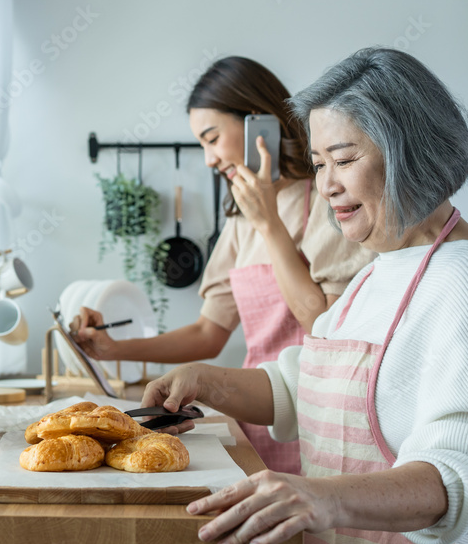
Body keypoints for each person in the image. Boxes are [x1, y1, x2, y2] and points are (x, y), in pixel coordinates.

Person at [141, 47, 468, 544]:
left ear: (408, 151)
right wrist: (206, 381)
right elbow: (304, 383)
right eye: (318, 164)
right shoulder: (379, 273)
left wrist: (324, 497)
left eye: (344, 158)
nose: (327, 184)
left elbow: (461, 473)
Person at [72, 56, 373, 474]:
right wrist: (114, 350)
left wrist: (269, 224)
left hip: (311, 419)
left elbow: (324, 326)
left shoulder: (328, 201)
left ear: (257, 124)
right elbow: (208, 332)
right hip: (251, 421)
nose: (209, 158)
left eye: (212, 138)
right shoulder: (240, 216)